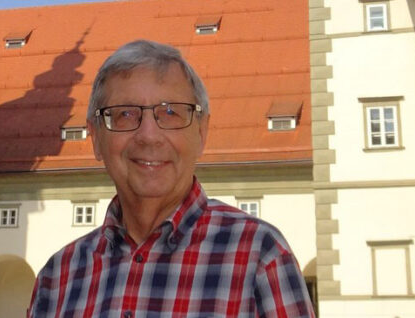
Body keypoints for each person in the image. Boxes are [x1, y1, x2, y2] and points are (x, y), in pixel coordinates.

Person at [28, 40, 314, 317]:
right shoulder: (58, 278)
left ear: (201, 132)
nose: (149, 136)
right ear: (95, 138)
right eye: (125, 114)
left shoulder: (259, 256)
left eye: (170, 113)